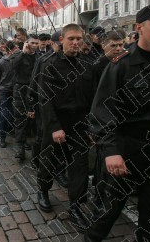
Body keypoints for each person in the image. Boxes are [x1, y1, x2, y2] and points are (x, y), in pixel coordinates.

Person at [85, 4, 150, 241]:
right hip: (125, 148)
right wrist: (111, 152)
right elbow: (102, 112)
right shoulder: (120, 65)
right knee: (107, 212)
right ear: (139, 27)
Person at [34, 25, 98, 231]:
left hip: (80, 124)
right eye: (71, 38)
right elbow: (45, 98)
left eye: (79, 38)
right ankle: (43, 190)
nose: (76, 42)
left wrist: (92, 127)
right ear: (62, 39)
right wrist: (54, 127)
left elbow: (93, 98)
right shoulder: (49, 64)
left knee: (79, 166)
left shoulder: (88, 64)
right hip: (56, 122)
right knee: (49, 161)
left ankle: (76, 207)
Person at [11, 34, 39, 161]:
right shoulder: (18, 55)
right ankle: (20, 148)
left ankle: (35, 149)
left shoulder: (40, 57)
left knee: (34, 119)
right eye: (31, 43)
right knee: (20, 118)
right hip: (20, 90)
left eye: (36, 43)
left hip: (35, 90)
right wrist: (23, 53)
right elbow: (13, 67)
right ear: (26, 43)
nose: (34, 45)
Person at [0, 41, 18, 148]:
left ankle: (13, 132)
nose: (17, 50)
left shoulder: (17, 60)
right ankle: (2, 136)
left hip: (15, 90)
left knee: (14, 114)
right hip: (4, 91)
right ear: (8, 51)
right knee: (4, 114)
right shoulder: (1, 62)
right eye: (15, 49)